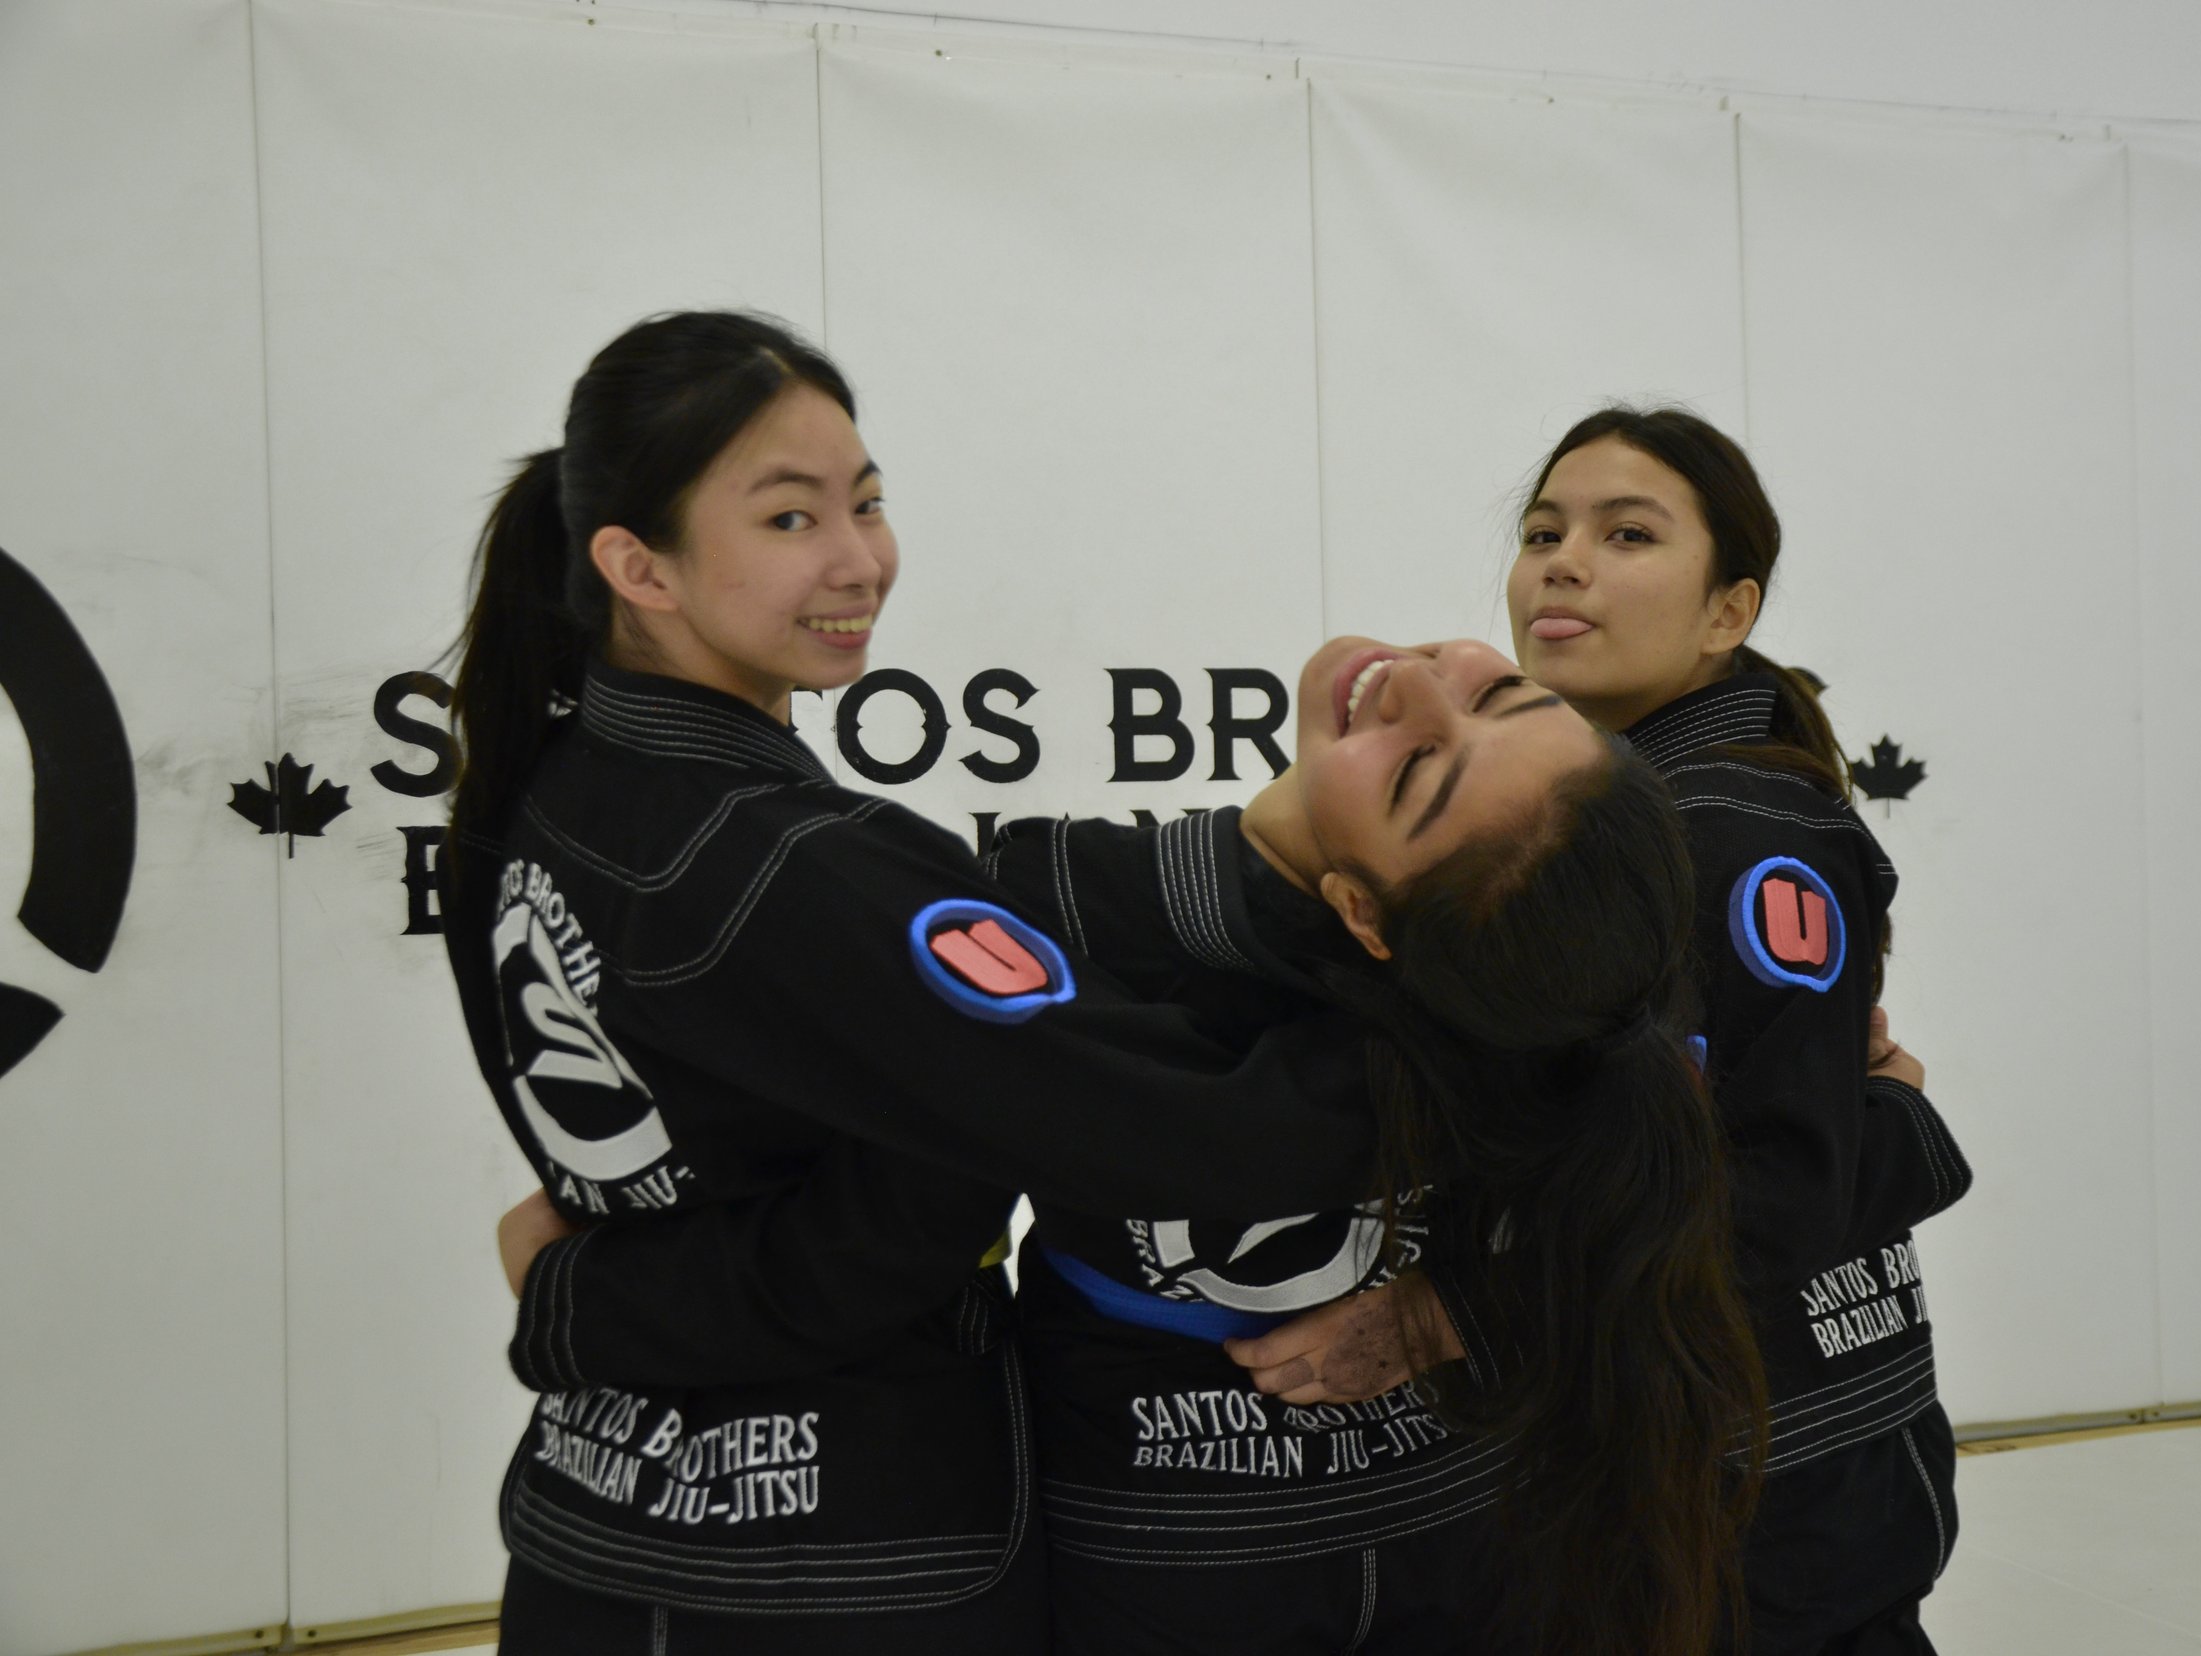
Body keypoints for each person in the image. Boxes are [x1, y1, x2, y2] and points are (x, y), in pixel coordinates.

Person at [443, 310, 1392, 1654]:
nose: (860, 560)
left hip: (599, 1525)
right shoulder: (788, 861)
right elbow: (1183, 1131)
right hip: (838, 1565)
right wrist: (1462, 1025)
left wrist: (588, 1303)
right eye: (788, 520)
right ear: (636, 565)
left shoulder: (551, 784)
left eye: (869, 502)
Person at [978, 637, 1766, 1656]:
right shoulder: (1566, 995)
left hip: (1402, 1524)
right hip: (1178, 1526)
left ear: (1363, 915)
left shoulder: (1060, 896)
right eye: (1500, 688)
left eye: (1413, 774)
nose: (1415, 683)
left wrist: (1451, 1311)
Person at [1504, 407, 1973, 1653]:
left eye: (1627, 533)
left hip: (1764, 1497)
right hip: (1741, 1475)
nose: (1563, 559)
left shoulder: (1728, 830)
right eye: (1543, 529)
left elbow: (1782, 1185)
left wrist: (1454, 1313)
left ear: (1729, 611)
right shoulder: (1637, 814)